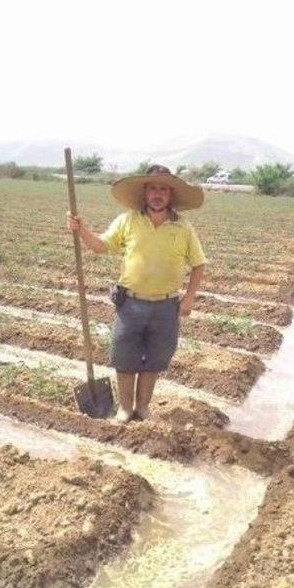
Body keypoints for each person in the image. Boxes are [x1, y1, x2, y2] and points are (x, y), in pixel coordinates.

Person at [67, 164, 207, 422]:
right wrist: (81, 229)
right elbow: (101, 246)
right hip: (130, 303)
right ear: (145, 193)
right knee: (124, 356)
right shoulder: (127, 220)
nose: (157, 194)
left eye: (163, 189)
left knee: (155, 359)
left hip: (167, 307)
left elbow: (199, 265)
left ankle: (143, 408)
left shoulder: (183, 227)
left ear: (170, 194)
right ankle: (125, 408)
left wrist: (188, 298)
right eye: (152, 188)